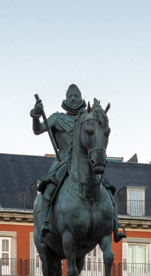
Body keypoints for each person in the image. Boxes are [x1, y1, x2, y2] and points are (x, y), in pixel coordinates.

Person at [31, 84, 125, 241]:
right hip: (63, 160)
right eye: (70, 96)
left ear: (81, 98)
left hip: (85, 162)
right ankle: (46, 222)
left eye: (76, 96)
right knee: (49, 188)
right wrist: (35, 115)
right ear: (65, 99)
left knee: (107, 189)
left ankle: (115, 224)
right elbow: (38, 129)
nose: (73, 99)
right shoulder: (57, 118)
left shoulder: (86, 119)